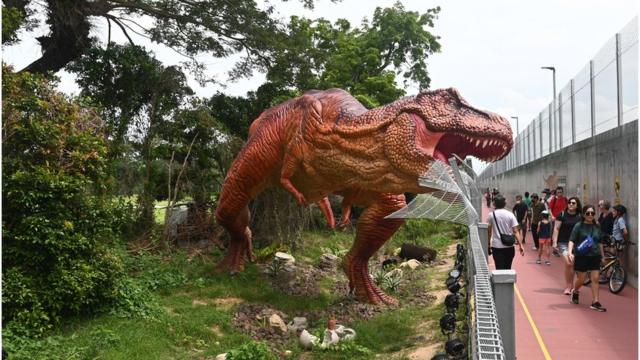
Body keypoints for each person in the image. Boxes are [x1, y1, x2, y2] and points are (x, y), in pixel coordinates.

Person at [568, 205, 607, 312]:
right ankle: (575, 291)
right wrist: (570, 252)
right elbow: (572, 240)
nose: (590, 215)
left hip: (595, 255)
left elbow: (599, 242)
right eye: (588, 213)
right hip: (582, 255)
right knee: (582, 279)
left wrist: (603, 256)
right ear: (584, 214)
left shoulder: (597, 226)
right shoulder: (578, 226)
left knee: (595, 278)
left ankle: (595, 302)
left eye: (592, 213)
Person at [552, 196, 582, 295]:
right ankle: (569, 286)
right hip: (563, 243)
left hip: (577, 244)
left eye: (573, 203)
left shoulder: (580, 216)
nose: (571, 204)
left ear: (577, 205)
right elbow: (556, 228)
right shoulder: (562, 214)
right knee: (569, 262)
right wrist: (555, 242)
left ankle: (573, 285)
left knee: (572, 264)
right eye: (569, 202)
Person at [487, 194, 524, 270]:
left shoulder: (491, 215)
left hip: (497, 247)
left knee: (499, 269)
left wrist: (488, 244)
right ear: (505, 204)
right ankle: (508, 282)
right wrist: (520, 245)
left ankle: (500, 282)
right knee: (508, 268)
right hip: (509, 246)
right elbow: (515, 231)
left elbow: (489, 232)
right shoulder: (510, 214)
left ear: (494, 204)